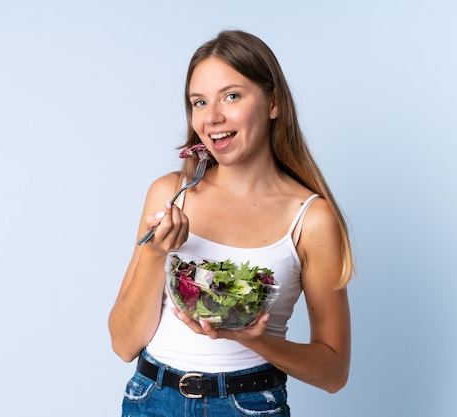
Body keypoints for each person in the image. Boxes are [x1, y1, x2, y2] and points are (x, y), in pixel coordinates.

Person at [109, 29, 353, 416]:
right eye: (199, 102)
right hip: (151, 399)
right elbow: (123, 344)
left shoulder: (311, 218)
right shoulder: (170, 194)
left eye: (232, 96)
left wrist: (253, 338)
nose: (213, 117)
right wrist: (156, 254)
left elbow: (334, 372)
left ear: (273, 103)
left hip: (249, 404)